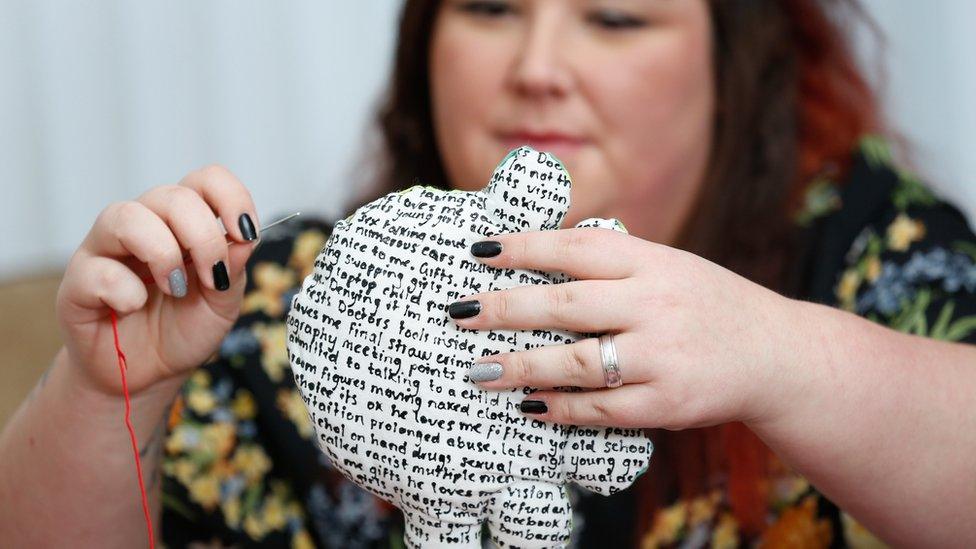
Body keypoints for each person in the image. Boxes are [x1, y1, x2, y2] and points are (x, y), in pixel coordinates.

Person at [2, 0, 975, 546]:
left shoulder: (867, 257)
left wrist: (779, 351)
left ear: (733, 64)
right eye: (490, 8)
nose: (538, 66)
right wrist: (104, 391)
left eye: (615, 18)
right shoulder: (291, 307)